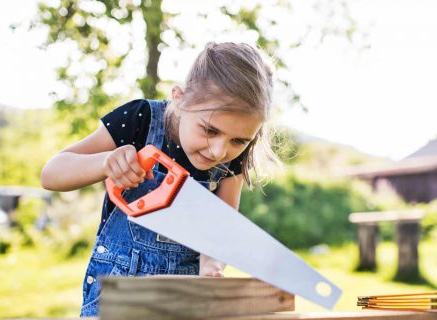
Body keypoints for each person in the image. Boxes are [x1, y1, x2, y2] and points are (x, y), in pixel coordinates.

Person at [40, 42, 279, 316]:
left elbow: (222, 226)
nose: (219, 151)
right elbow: (52, 174)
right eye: (210, 130)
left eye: (238, 140)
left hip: (181, 300)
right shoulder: (139, 120)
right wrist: (105, 163)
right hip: (118, 296)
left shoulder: (230, 159)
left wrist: (213, 263)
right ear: (179, 97)